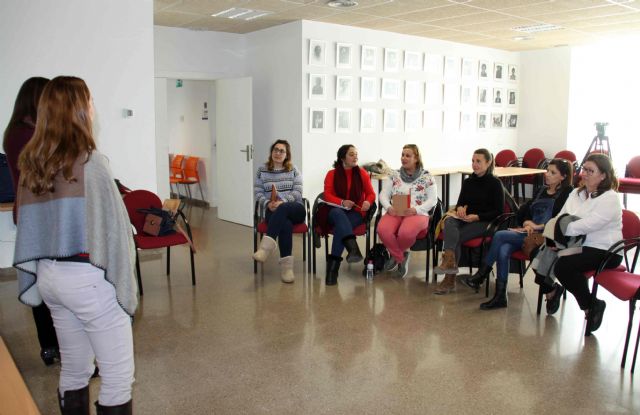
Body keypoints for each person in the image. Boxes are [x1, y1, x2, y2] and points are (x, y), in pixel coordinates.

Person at [13, 76, 136, 414]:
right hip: (88, 279)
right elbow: (115, 231)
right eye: (90, 100)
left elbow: (32, 226)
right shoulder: (90, 163)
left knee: (75, 367)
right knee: (117, 376)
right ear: (79, 109)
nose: (93, 107)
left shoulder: (33, 163)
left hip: (50, 277)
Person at [2, 77, 61, 366]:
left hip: (33, 214)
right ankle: (53, 344)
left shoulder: (17, 131)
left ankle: (51, 344)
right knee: (48, 282)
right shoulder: (26, 134)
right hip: (39, 215)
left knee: (45, 279)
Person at [462, 159, 574, 309]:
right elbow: (526, 210)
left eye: (553, 173)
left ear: (563, 177)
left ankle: (483, 274)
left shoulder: (566, 194)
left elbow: (561, 220)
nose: (547, 175)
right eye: (548, 170)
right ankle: (501, 296)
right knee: (503, 248)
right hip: (528, 233)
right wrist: (527, 222)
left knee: (500, 236)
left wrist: (538, 226)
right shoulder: (541, 190)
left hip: (545, 237)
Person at [543, 154, 622, 332]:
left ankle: (591, 305)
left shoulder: (610, 198)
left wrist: (559, 233)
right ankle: (554, 292)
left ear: (603, 176)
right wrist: (557, 234)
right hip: (579, 245)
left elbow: (587, 225)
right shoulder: (579, 193)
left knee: (563, 266)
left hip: (606, 250)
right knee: (543, 252)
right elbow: (560, 217)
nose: (584, 173)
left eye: (590, 170)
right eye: (584, 169)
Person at [433, 149, 504, 294]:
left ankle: (449, 278)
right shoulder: (468, 182)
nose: (474, 164)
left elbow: (498, 211)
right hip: (466, 219)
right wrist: (460, 210)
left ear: (488, 162)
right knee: (449, 223)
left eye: (478, 161)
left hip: (485, 222)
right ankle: (449, 264)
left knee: (455, 236)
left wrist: (477, 216)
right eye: (473, 161)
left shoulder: (495, 183)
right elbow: (460, 203)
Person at [377, 145, 437, 278]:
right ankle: (400, 256)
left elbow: (433, 200)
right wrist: (388, 207)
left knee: (406, 233)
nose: (403, 158)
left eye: (408, 155)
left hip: (417, 212)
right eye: (402, 155)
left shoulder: (427, 177)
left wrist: (416, 209)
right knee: (382, 230)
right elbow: (383, 195)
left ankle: (395, 255)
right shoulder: (394, 175)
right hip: (396, 209)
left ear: (416, 158)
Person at [319, 145, 375, 286]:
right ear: (342, 157)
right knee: (339, 215)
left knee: (341, 229)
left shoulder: (362, 173)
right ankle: (353, 248)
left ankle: (332, 271)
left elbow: (371, 193)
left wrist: (368, 201)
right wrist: (342, 202)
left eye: (356, 154)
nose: (355, 157)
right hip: (335, 210)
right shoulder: (331, 174)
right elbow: (327, 195)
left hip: (356, 212)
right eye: (351, 154)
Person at [253, 140, 304, 283]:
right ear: (271, 152)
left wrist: (283, 202)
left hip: (295, 208)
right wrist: (268, 203)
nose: (278, 153)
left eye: (282, 151)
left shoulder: (293, 169)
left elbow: (298, 191)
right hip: (272, 210)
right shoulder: (262, 170)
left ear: (287, 155)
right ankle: (287, 269)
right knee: (285, 224)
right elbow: (258, 192)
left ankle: (265, 249)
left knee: (283, 209)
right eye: (275, 149)